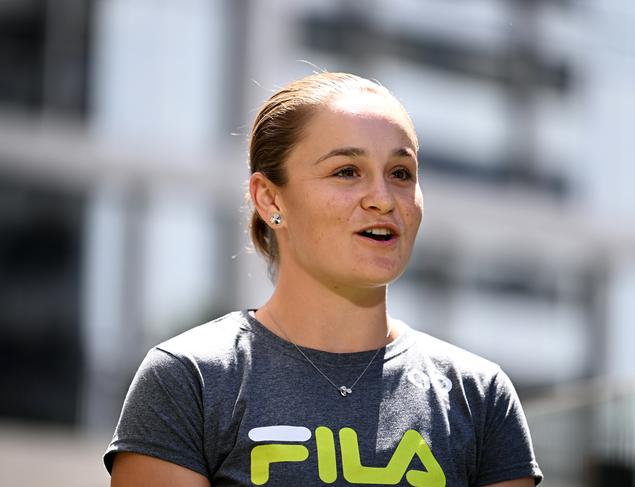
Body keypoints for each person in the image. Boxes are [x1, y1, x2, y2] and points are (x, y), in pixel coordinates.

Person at [104, 72, 543, 486]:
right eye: (346, 171)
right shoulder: (189, 379)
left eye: (401, 174)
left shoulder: (480, 395)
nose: (382, 199)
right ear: (269, 197)